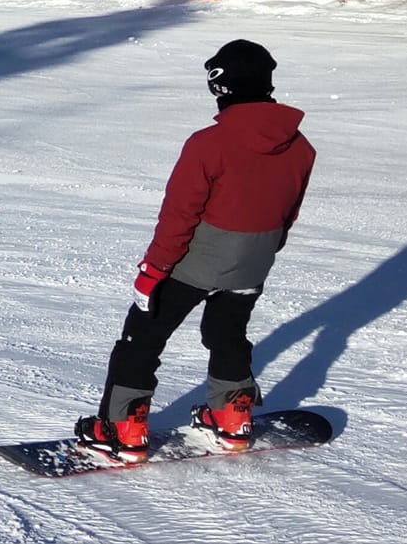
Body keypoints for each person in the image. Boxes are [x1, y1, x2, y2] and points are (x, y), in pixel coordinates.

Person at [75, 39, 316, 463]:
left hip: (194, 263)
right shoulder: (301, 147)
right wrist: (263, 251)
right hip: (253, 263)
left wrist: (154, 270)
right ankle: (232, 417)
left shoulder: (208, 143)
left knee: (142, 338)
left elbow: (179, 216)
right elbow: (288, 211)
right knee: (227, 335)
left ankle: (122, 431)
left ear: (221, 87)